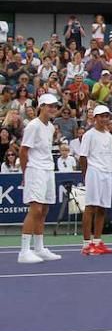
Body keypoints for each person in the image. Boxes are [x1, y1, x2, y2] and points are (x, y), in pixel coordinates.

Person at [17, 93, 63, 264]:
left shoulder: (50, 127)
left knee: (44, 210)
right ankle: (24, 251)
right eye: (49, 106)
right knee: (35, 209)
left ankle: (39, 248)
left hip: (48, 169)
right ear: (41, 107)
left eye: (54, 106)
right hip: (35, 170)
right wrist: (25, 174)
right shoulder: (33, 126)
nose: (52, 109)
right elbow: (23, 151)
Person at [79, 104, 112, 255]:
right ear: (95, 118)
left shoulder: (109, 136)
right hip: (93, 172)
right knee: (90, 207)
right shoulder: (89, 135)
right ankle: (86, 244)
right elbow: (83, 157)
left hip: (106, 174)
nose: (104, 119)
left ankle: (97, 242)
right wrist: (86, 174)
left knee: (102, 208)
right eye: (101, 116)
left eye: (106, 116)